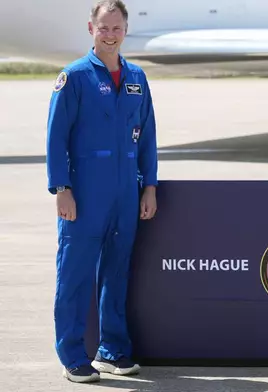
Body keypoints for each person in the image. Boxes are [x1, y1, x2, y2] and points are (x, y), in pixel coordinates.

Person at [46, 0, 158, 383]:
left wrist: (150, 187)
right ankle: (72, 355)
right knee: (74, 275)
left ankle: (111, 350)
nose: (110, 35)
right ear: (91, 29)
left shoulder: (137, 78)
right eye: (103, 28)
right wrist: (62, 188)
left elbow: (147, 139)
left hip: (126, 192)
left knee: (117, 272)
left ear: (126, 30)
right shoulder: (73, 77)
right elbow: (56, 138)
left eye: (117, 28)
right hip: (85, 194)